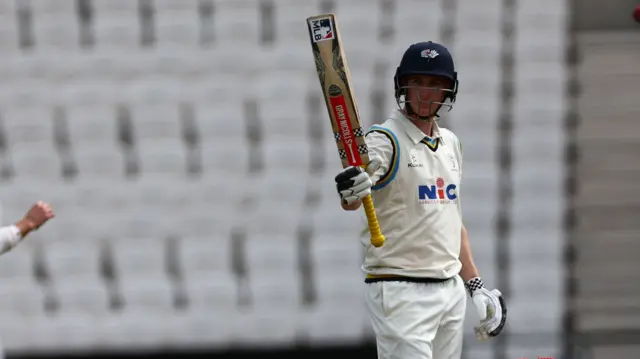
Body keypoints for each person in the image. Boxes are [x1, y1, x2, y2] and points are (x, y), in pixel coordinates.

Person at [334, 41, 507, 359]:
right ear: (403, 86)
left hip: (450, 289)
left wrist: (474, 284)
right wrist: (352, 191)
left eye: (436, 85)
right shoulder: (383, 139)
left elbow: (452, 221)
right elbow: (357, 191)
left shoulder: (450, 143)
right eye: (418, 83)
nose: (426, 93)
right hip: (402, 291)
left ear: (448, 92)